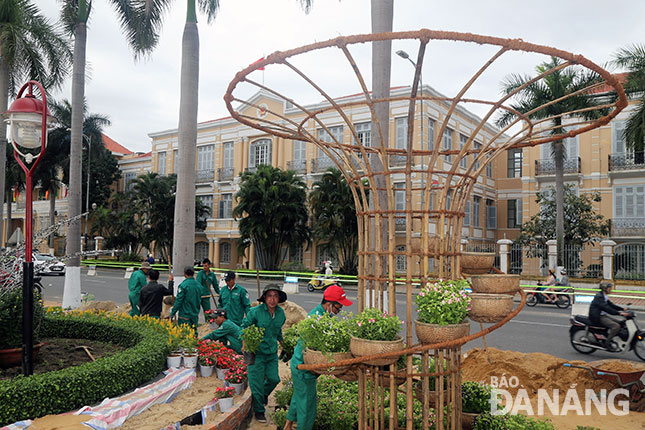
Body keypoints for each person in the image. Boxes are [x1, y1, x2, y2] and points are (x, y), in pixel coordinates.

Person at [284, 285, 353, 430]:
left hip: (301, 364)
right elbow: (315, 347)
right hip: (303, 367)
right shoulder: (316, 318)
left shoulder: (323, 315)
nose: (339, 312)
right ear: (328, 304)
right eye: (338, 308)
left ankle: (288, 425)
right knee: (307, 406)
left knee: (299, 396)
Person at [242, 284, 287, 423]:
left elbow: (278, 331)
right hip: (256, 352)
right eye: (269, 296)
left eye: (275, 296)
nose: (272, 299)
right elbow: (244, 327)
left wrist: (285, 345)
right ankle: (259, 411)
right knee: (257, 384)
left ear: (279, 298)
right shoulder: (255, 312)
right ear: (265, 298)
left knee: (274, 379)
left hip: (271, 353)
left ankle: (263, 396)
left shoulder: (281, 314)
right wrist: (245, 344)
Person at [589, 281, 629, 350]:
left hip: (603, 315)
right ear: (604, 289)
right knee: (616, 326)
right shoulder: (599, 297)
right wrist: (619, 313)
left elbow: (611, 305)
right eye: (609, 288)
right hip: (598, 317)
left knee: (621, 323)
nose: (611, 289)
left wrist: (622, 309)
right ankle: (607, 343)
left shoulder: (604, 296)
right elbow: (606, 308)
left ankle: (613, 337)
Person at [170, 267, 202, 336]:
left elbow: (178, 301)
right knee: (193, 333)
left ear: (185, 274)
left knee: (184, 334)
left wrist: (173, 313)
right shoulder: (199, 285)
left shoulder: (183, 286)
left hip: (185, 314)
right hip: (195, 314)